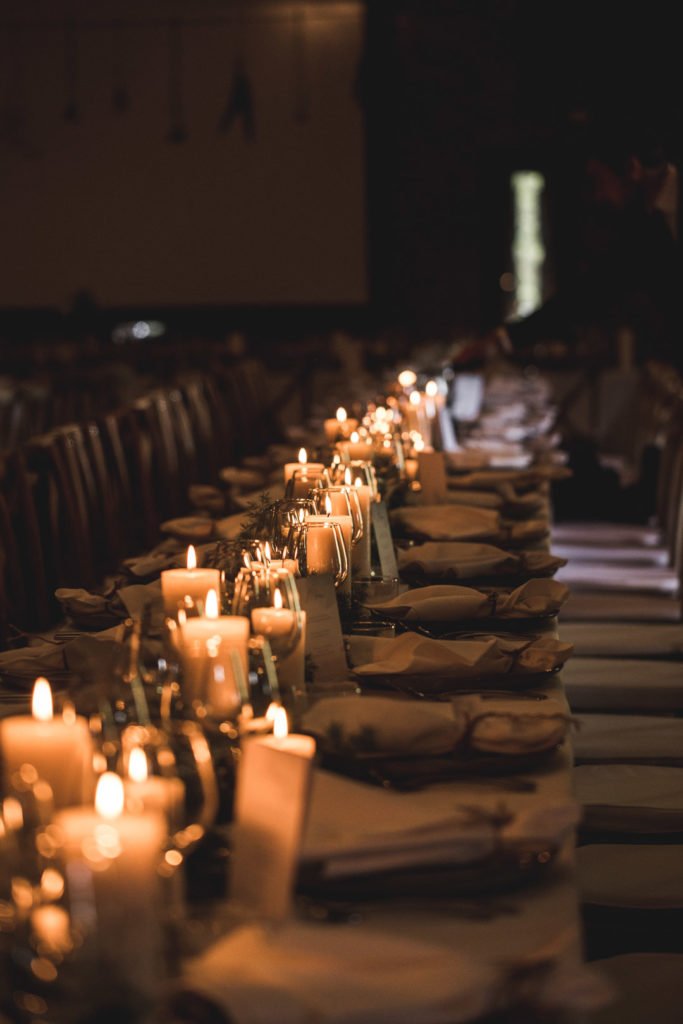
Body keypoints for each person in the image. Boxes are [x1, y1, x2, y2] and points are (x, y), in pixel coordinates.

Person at [454, 117, 681, 371]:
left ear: (632, 168)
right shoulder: (645, 226)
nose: (599, 196)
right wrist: (503, 338)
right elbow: (589, 292)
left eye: (599, 181)